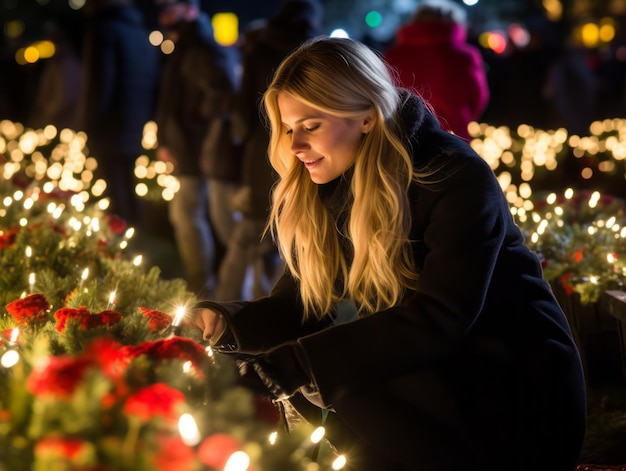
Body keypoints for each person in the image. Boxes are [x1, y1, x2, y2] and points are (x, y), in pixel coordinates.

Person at [189, 37, 586, 470]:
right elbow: (303, 304)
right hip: (437, 373)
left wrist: (298, 364)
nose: (294, 145)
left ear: (366, 117)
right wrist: (225, 322)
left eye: (311, 125)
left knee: (334, 379)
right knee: (317, 377)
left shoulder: (452, 176)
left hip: (513, 387)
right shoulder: (330, 184)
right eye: (287, 128)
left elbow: (440, 315)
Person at [215, 0, 324, 301]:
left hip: (262, 146)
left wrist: (244, 136)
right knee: (290, 236)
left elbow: (245, 104)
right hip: (307, 148)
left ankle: (228, 305)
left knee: (250, 231)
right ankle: (271, 305)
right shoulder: (315, 48)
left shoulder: (261, 45)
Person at [154, 0, 240, 298]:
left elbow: (222, 95)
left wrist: (189, 127)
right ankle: (206, 285)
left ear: (189, 9)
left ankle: (205, 287)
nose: (165, 15)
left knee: (204, 218)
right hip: (189, 146)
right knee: (193, 216)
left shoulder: (201, 47)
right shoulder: (187, 46)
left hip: (196, 148)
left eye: (170, 8)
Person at [75, 0, 160, 225]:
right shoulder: (140, 31)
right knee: (128, 186)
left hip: (109, 126)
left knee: (116, 190)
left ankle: (121, 245)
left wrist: (87, 125)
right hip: (135, 124)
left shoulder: (105, 30)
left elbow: (99, 84)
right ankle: (136, 236)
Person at [383, 0, 489, 140]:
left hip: (404, 136)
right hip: (452, 138)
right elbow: (478, 98)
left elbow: (385, 97)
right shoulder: (466, 57)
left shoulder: (393, 55)